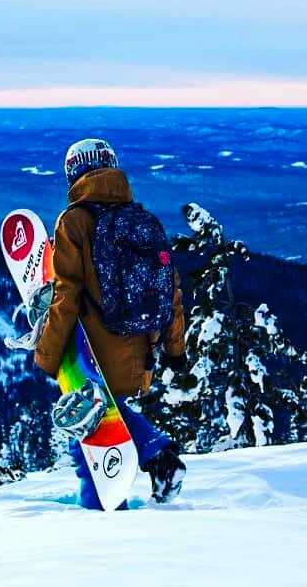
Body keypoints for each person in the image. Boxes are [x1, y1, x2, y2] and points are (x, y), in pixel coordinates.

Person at [34, 138, 187, 510]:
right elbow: (172, 290)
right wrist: (176, 349)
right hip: (140, 351)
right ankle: (157, 457)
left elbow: (66, 295)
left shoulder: (74, 222)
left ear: (73, 174)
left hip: (93, 354)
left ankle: (103, 522)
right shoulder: (143, 221)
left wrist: (47, 354)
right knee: (103, 425)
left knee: (91, 445)